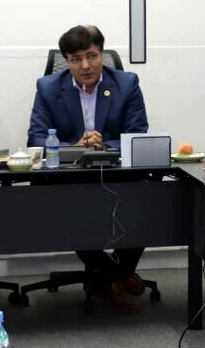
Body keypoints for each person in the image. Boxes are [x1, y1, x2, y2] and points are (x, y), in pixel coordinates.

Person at [27, 25, 150, 307]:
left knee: (148, 195)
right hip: (69, 178)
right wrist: (74, 146)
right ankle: (115, 275)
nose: (85, 66)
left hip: (116, 174)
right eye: (76, 59)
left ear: (102, 54)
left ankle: (113, 275)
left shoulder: (127, 84)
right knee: (67, 209)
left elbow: (137, 135)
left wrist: (103, 146)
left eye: (92, 56)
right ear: (66, 61)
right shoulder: (47, 87)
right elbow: (36, 138)